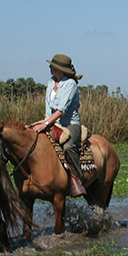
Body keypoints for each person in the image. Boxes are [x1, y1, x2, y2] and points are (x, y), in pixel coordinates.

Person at [31, 53, 86, 197]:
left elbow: (62, 109)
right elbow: (48, 106)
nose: (50, 67)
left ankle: (77, 178)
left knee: (68, 147)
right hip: (51, 121)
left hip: (69, 124)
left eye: (52, 66)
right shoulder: (51, 82)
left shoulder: (70, 84)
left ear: (60, 69)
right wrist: (45, 121)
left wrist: (47, 123)